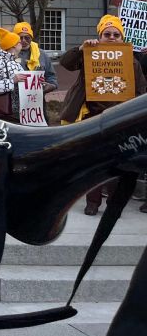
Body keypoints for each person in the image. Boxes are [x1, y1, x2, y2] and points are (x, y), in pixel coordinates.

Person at [58, 14, 147, 216]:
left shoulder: (132, 62)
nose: (112, 37)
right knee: (93, 163)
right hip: (92, 117)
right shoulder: (90, 52)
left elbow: (141, 92)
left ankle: (113, 205)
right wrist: (81, 49)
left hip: (119, 120)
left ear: (122, 38)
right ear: (100, 36)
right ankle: (92, 202)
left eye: (116, 34)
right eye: (107, 34)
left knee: (116, 164)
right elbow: (66, 62)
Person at [0, 27, 27, 120]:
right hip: (3, 113)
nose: (21, 43)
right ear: (14, 45)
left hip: (17, 112)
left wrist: (36, 84)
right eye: (19, 42)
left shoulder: (15, 63)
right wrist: (12, 81)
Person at [13, 21, 58, 92]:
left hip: (37, 99)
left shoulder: (42, 54)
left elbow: (51, 77)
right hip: (13, 100)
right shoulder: (8, 54)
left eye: (27, 38)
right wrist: (12, 80)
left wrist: (51, 86)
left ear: (31, 38)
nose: (23, 41)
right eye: (20, 38)